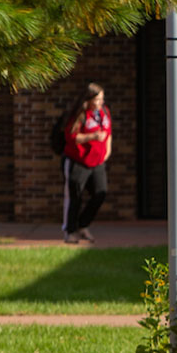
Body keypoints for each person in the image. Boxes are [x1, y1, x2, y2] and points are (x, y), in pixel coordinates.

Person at [61, 82, 112, 244]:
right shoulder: (80, 114)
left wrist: (107, 151)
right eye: (97, 100)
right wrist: (92, 137)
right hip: (79, 161)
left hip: (97, 162)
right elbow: (71, 137)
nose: (100, 103)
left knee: (100, 193)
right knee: (75, 196)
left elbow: (108, 132)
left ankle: (83, 225)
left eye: (101, 99)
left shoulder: (104, 112)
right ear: (89, 99)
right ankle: (70, 231)